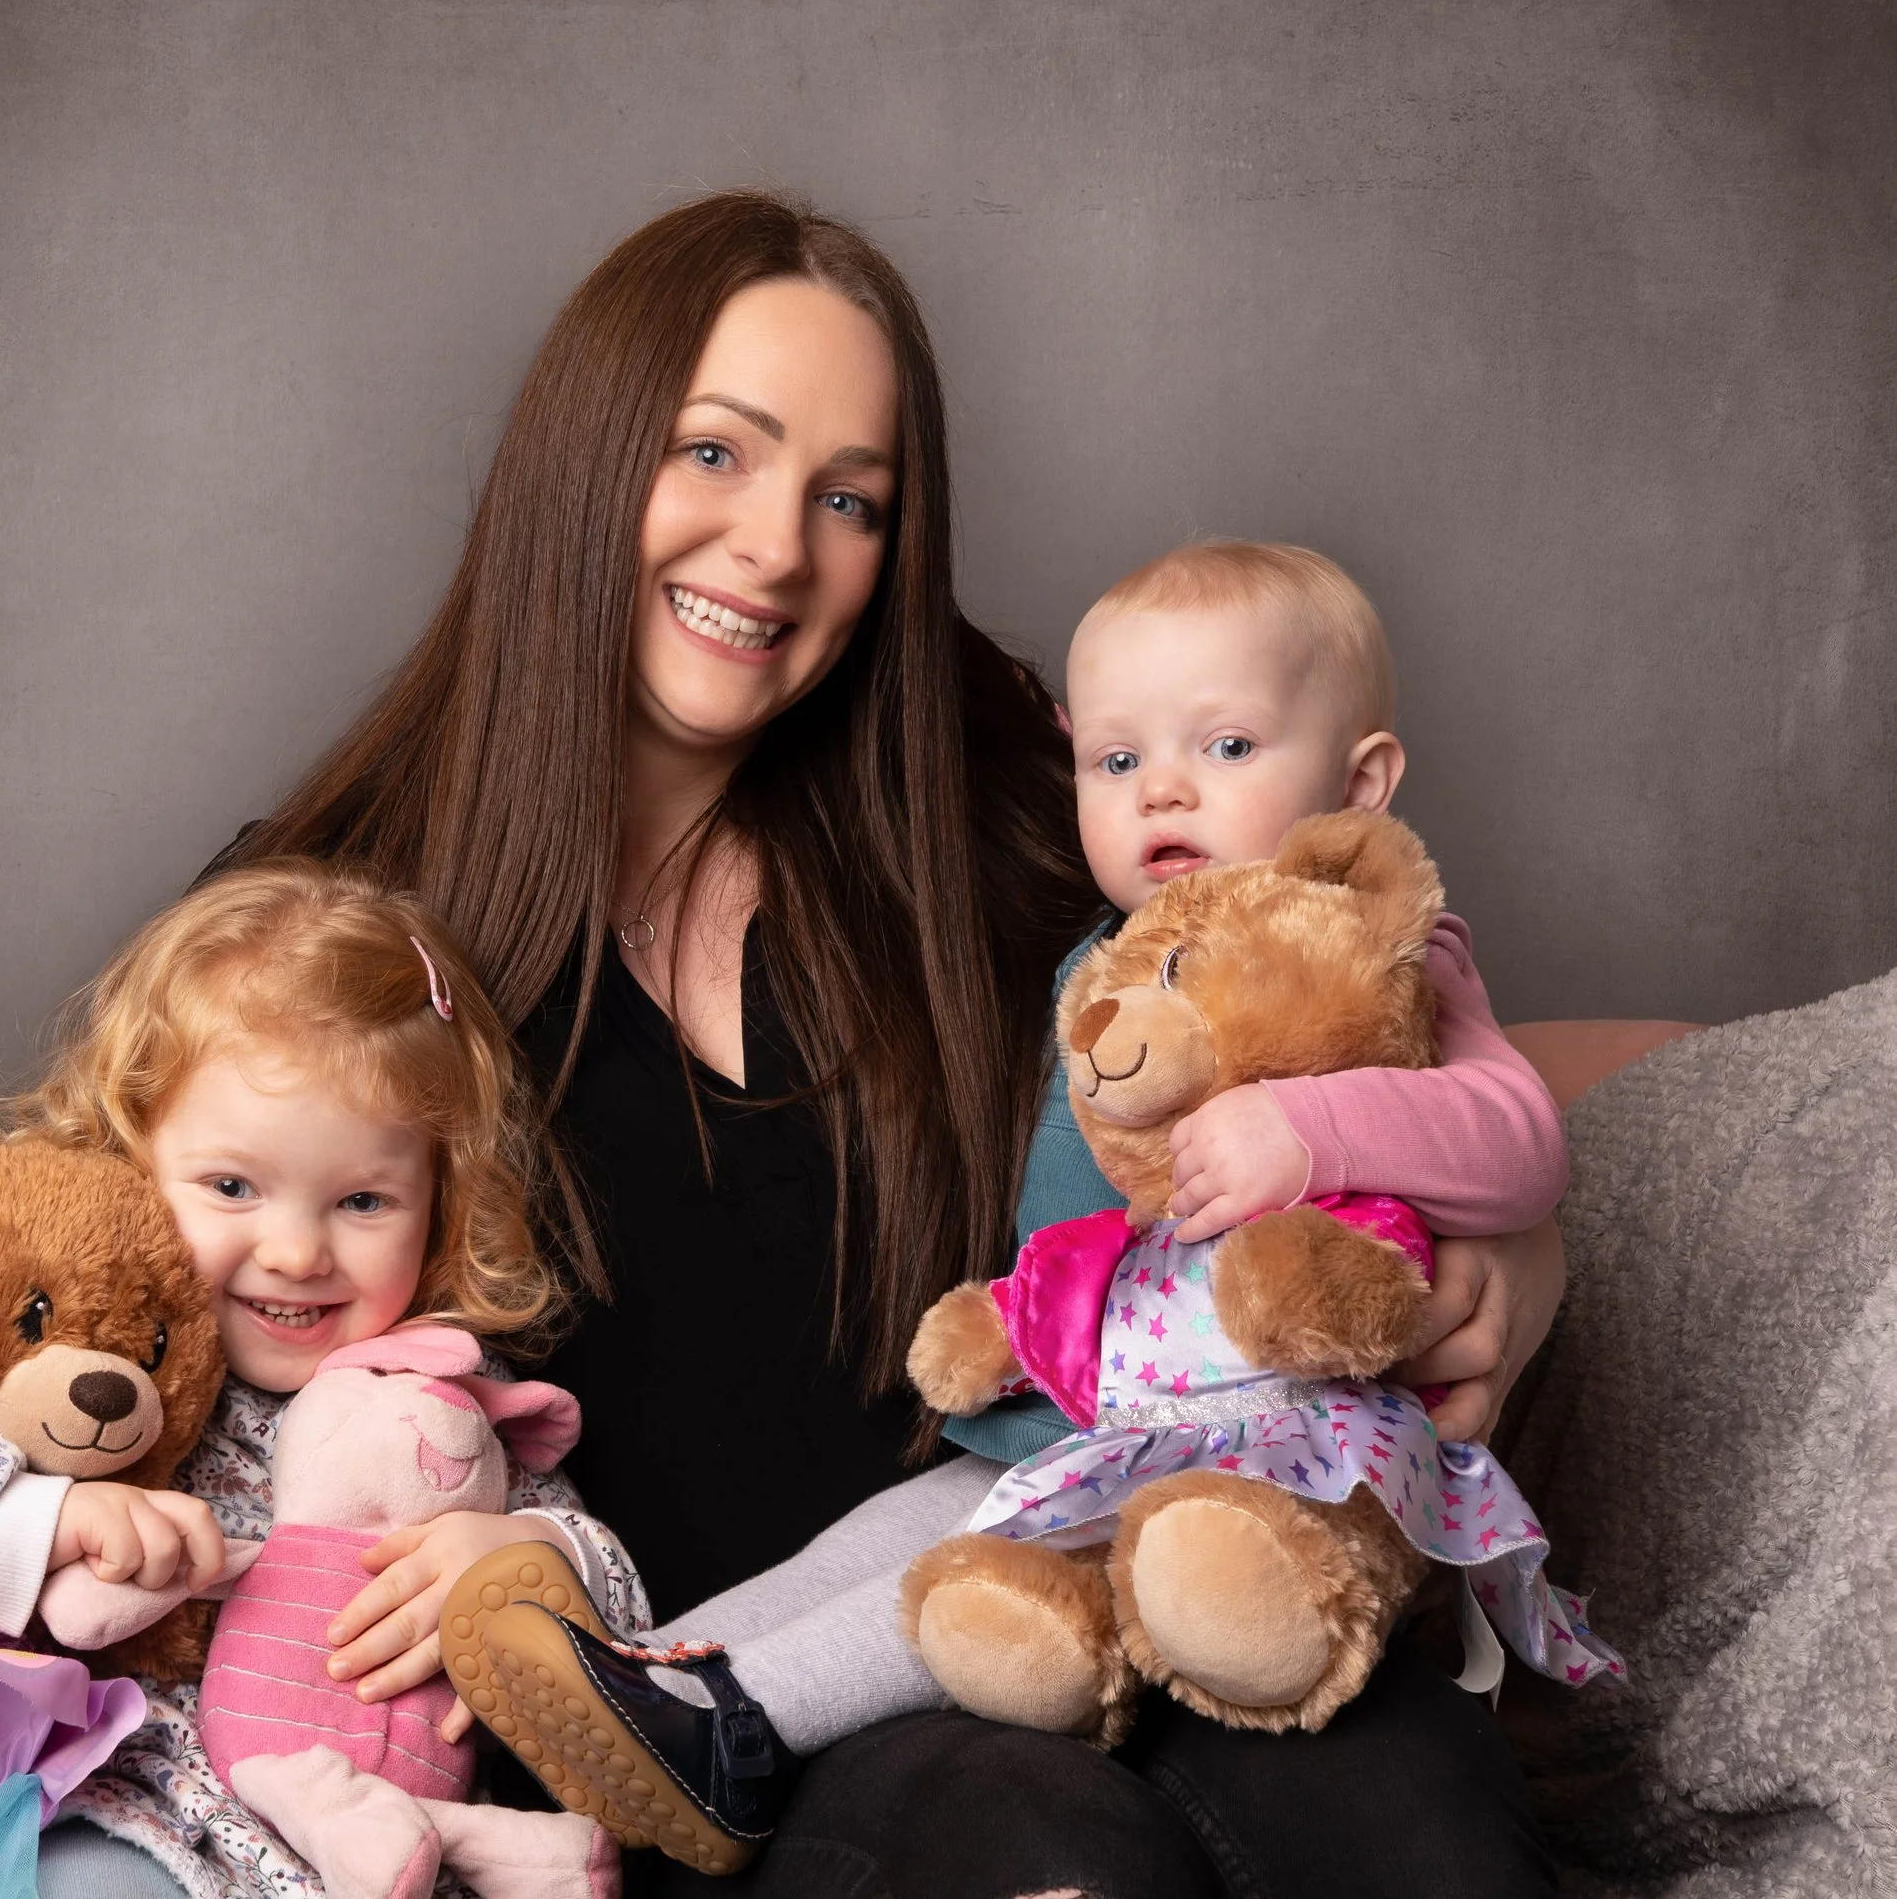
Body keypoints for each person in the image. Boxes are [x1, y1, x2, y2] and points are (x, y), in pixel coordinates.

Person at [0, 193, 1574, 1899]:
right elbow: (27, 1306)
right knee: (1037, 1852)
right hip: (681, 1730)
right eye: (712, 450)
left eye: (848, 498)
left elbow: (1371, 995)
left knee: (1405, 1807)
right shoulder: (324, 918)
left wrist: (1521, 1239)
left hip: (1107, 1549)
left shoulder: (986, 782)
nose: (773, 546)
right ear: (585, 450)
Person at [437, 540, 1606, 1874]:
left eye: (1226, 748)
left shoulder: (1385, 943)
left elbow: (1519, 1139)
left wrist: (1327, 1140)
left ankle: (734, 1722)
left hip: (1276, 1452)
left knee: (990, 1551)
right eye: (1117, 763)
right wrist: (1017, 1325)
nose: (1163, 787)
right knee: (919, 1518)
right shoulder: (1097, 967)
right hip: (1093, 1423)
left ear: (1360, 786)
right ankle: (660, 1683)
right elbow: (1075, 1228)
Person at [0, 861, 647, 1896]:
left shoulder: (436, 1403)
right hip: (71, 1804)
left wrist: (533, 1552)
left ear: (440, 1204)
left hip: (340, 1849)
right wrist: (24, 1521)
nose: (294, 1250)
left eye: (364, 1200)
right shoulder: (37, 1308)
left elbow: (632, 1643)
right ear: (131, 1148)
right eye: (232, 1185)